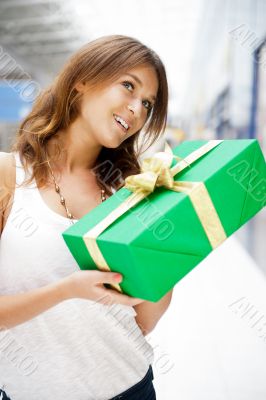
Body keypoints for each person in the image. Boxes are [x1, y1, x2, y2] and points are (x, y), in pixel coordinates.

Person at [0, 34, 173, 400]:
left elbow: (142, 320)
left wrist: (170, 252)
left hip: (132, 388)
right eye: (128, 86)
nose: (137, 109)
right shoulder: (7, 176)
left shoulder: (129, 192)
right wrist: (66, 291)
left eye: (147, 103)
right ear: (82, 79)